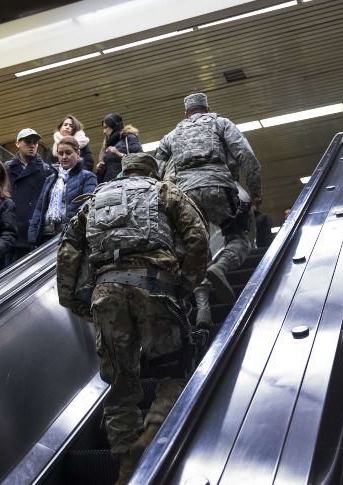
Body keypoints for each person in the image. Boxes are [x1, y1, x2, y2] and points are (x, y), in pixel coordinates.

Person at [56, 153, 209, 485]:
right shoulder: (163, 190)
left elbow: (68, 247)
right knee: (174, 367)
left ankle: (126, 469)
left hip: (105, 293)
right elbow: (197, 236)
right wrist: (186, 283)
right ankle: (154, 428)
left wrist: (71, 298)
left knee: (122, 383)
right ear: (152, 171)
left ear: (124, 171)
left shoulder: (94, 200)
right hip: (155, 285)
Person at [155, 92, 262, 329]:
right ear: (206, 107)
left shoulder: (171, 135)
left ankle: (203, 310)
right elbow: (247, 155)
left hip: (185, 197)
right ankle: (221, 267)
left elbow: (158, 173)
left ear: (186, 112)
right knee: (239, 239)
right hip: (219, 188)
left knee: (196, 252)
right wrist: (255, 192)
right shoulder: (220, 123)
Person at [28, 136, 98, 246]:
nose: (64, 157)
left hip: (71, 237)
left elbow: (89, 206)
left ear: (78, 153)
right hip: (46, 236)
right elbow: (39, 208)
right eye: (60, 153)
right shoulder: (50, 179)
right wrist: (32, 237)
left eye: (68, 152)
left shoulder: (87, 177)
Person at [6, 128, 51, 262]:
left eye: (35, 142)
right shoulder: (7, 168)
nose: (32, 145)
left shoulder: (46, 170)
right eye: (28, 141)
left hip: (33, 233)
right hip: (11, 231)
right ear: (17, 143)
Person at [95, 113, 142, 183]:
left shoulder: (129, 138)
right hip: (109, 187)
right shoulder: (108, 146)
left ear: (114, 126)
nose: (104, 132)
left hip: (127, 185)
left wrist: (118, 154)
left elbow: (140, 160)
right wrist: (100, 171)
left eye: (106, 127)